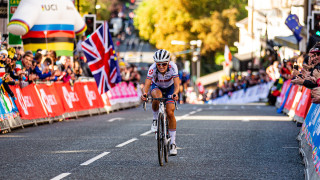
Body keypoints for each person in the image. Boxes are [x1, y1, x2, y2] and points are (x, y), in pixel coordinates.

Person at [140, 49, 180, 156]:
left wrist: (175, 93)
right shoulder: (152, 68)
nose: (161, 66)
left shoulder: (173, 67)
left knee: (170, 112)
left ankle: (172, 143)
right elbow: (147, 83)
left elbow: (177, 84)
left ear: (168, 62)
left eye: (163, 64)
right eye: (159, 64)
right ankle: (155, 119)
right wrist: (144, 93)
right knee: (157, 97)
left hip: (170, 88)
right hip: (157, 87)